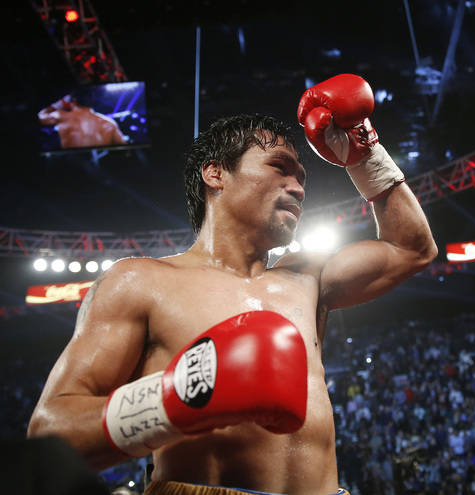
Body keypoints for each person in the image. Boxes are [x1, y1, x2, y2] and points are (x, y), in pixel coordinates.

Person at [27, 74, 438, 495]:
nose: (297, 188)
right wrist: (174, 400)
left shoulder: (307, 276)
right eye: (279, 168)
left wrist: (363, 155)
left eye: (302, 179)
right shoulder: (140, 282)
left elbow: (412, 249)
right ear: (215, 173)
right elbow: (50, 434)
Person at [38, 90, 127, 149]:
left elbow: (40, 117)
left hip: (70, 166)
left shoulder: (61, 116)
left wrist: (60, 103)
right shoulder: (109, 123)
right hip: (99, 171)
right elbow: (125, 149)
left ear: (74, 102)